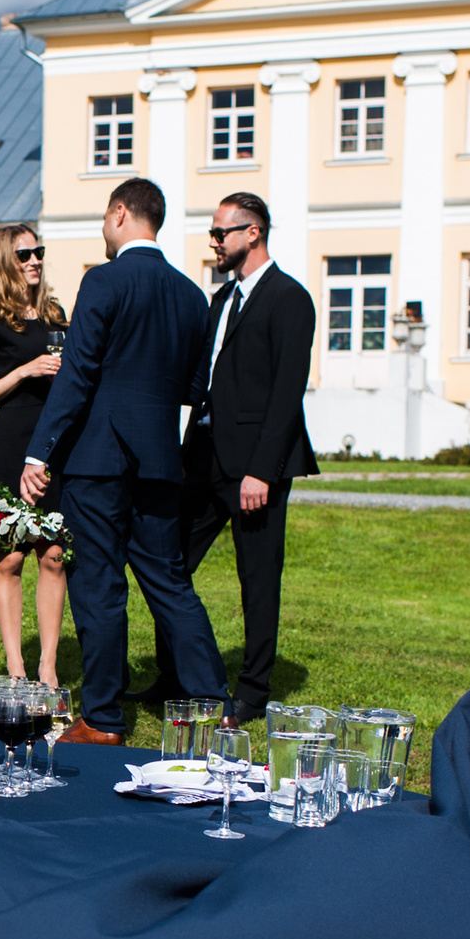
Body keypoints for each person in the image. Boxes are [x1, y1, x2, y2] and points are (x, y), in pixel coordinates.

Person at [20, 177, 225, 745]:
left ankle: (104, 719)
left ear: (119, 214)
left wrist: (40, 451)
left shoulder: (103, 281)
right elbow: (194, 385)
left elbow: (79, 372)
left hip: (99, 458)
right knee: (170, 583)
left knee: (101, 587)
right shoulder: (190, 295)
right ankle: (214, 705)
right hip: (160, 458)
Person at [177, 194, 317, 725]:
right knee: (170, 564)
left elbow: (287, 393)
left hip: (254, 468)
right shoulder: (221, 300)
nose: (214, 242)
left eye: (221, 233)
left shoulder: (288, 299)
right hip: (204, 459)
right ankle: (182, 673)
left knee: (257, 580)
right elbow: (207, 382)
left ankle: (252, 692)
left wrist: (262, 469)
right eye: (213, 234)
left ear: (252, 232)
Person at [0, 224, 70, 683]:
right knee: (10, 558)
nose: (34, 261)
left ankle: (48, 665)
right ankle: (16, 667)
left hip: (54, 445)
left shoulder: (55, 314)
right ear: (6, 262)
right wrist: (26, 370)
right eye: (24, 254)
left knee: (53, 555)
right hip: (10, 445)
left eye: (38, 252)